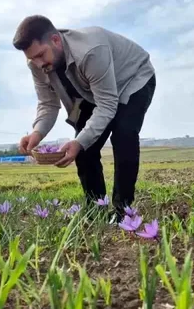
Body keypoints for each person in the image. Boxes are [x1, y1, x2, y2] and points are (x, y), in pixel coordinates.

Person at [12, 15, 156, 220]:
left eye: (41, 55)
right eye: (32, 58)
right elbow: (48, 104)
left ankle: (122, 210)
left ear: (55, 40)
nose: (38, 63)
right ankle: (96, 210)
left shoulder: (91, 51)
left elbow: (107, 105)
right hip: (92, 91)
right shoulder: (37, 64)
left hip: (133, 78)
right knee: (84, 146)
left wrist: (79, 142)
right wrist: (37, 133)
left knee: (123, 134)